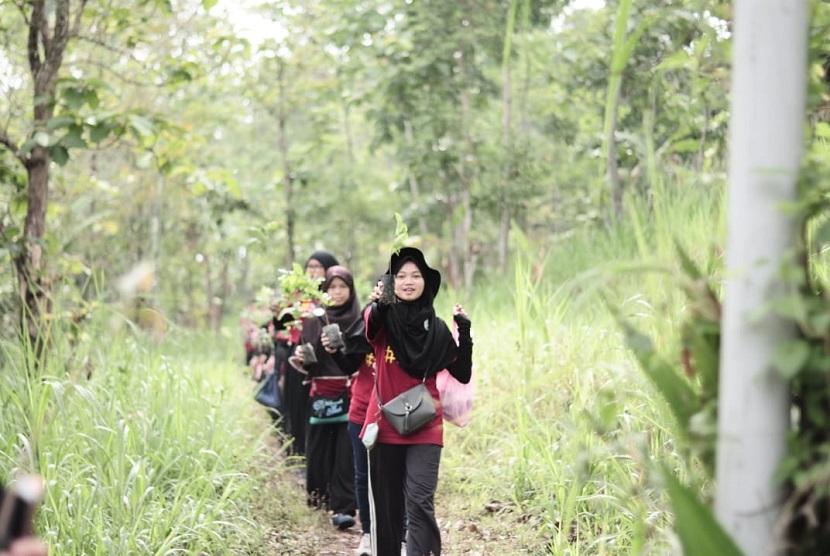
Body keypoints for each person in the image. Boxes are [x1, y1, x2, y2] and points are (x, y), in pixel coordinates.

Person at [363, 247, 473, 556]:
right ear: (391, 282)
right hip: (383, 425)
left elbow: (461, 373)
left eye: (416, 275)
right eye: (400, 276)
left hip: (425, 424)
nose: (408, 282)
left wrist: (463, 331)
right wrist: (380, 302)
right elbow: (370, 324)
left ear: (426, 282)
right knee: (387, 509)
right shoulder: (382, 318)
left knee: (420, 501)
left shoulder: (436, 329)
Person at [293, 265, 359, 529]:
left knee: (345, 451)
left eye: (343, 287)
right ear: (324, 290)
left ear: (351, 290)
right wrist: (303, 357)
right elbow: (307, 362)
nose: (338, 292)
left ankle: (344, 507)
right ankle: (319, 498)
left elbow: (361, 358)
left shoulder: (359, 319)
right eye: (332, 287)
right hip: (320, 394)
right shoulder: (313, 321)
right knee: (319, 450)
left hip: (349, 393)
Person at [281, 250, 340, 458]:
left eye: (318, 267)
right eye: (310, 267)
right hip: (299, 355)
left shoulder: (334, 292)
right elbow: (282, 324)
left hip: (327, 358)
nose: (313, 271)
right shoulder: (298, 295)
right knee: (297, 402)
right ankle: (298, 451)